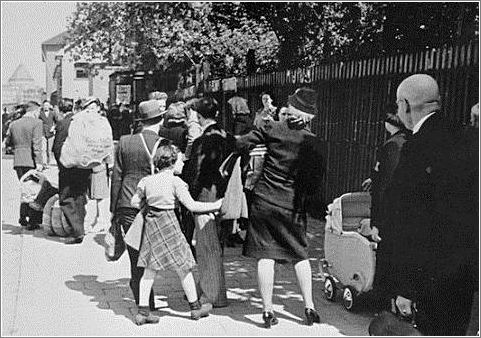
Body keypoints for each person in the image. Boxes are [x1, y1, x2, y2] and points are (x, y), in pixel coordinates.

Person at [375, 74, 478, 336]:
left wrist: (404, 288)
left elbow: (408, 222)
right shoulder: (468, 138)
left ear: (406, 105)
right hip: (462, 275)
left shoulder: (416, 148)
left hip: (426, 280)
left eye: (399, 106)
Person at [236, 87, 326, 328]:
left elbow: (242, 143)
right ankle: (309, 307)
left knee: (266, 256)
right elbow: (316, 181)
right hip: (293, 205)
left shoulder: (272, 128)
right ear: (311, 116)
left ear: (290, 108)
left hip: (264, 199)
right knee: (300, 254)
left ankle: (267, 311)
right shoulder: (314, 142)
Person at [132, 143, 221, 325]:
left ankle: (142, 312)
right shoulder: (177, 182)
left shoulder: (146, 181)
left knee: (149, 270)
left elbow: (134, 202)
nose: (183, 164)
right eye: (180, 160)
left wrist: (149, 206)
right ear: (172, 161)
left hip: (152, 227)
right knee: (183, 268)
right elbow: (192, 206)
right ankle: (195, 308)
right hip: (171, 226)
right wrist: (216, 205)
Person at [110, 100, 164, 312]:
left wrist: (114, 209)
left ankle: (144, 297)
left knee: (135, 251)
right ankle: (146, 296)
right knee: (151, 251)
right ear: (159, 120)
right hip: (154, 203)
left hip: (127, 201)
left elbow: (116, 176)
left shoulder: (124, 141)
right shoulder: (164, 143)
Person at [182, 97, 236, 308]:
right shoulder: (228, 137)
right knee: (216, 245)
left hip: (206, 195)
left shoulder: (202, 141)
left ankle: (213, 295)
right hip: (225, 193)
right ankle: (208, 286)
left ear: (199, 116)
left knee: (207, 246)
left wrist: (188, 195)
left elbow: (195, 172)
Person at [52, 97, 99, 245]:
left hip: (68, 167)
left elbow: (57, 147)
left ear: (60, 109)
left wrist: (61, 165)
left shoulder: (64, 123)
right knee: (80, 196)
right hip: (84, 166)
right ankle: (79, 228)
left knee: (66, 198)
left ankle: (77, 231)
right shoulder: (84, 122)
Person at [362, 109, 410, 229]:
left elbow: (387, 173)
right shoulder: (406, 140)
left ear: (388, 124)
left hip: (387, 197)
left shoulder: (392, 144)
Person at [4, 101, 43, 229]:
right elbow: (37, 145)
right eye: (38, 111)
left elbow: (8, 142)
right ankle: (32, 220)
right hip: (31, 160)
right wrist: (39, 162)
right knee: (34, 190)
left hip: (18, 160)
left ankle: (22, 216)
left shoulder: (14, 124)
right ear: (34, 111)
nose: (39, 114)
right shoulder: (37, 123)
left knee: (25, 188)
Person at [38, 99, 62, 165]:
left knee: (49, 149)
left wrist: (54, 127)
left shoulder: (52, 113)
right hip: (42, 132)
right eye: (44, 105)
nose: (45, 106)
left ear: (49, 106)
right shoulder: (40, 113)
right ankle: (44, 162)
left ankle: (49, 161)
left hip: (50, 133)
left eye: (47, 105)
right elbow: (38, 122)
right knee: (43, 149)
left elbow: (57, 122)